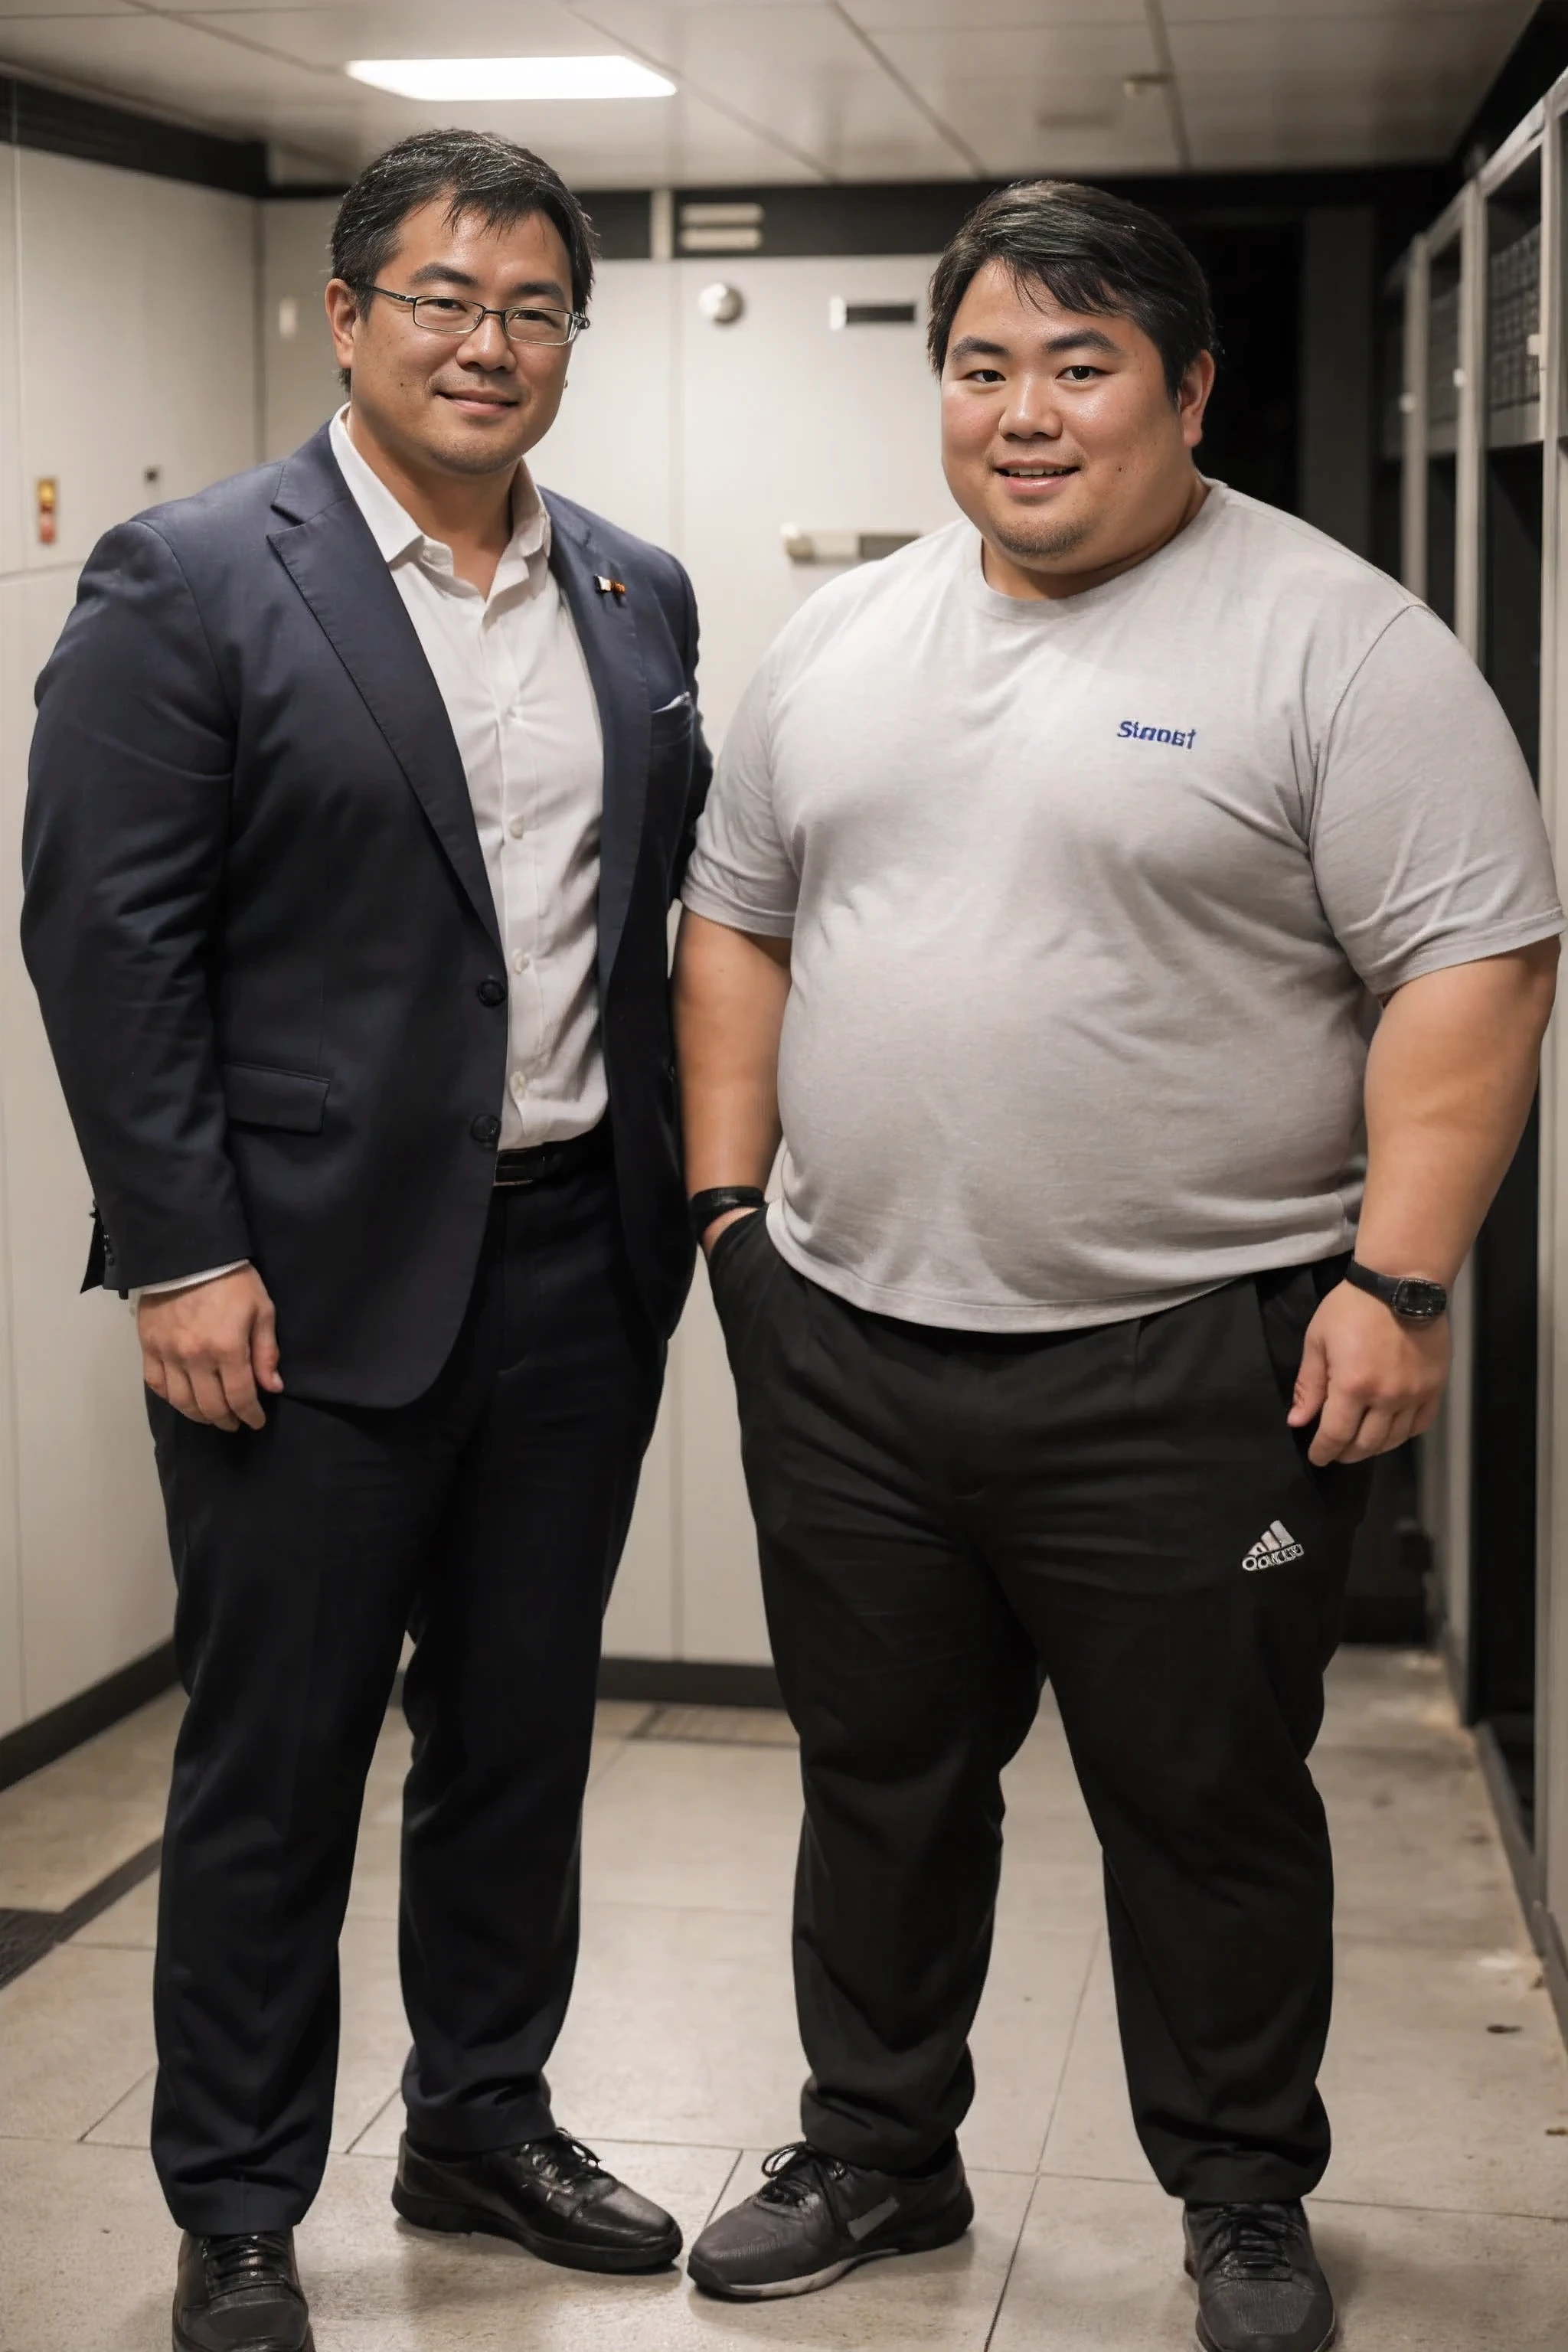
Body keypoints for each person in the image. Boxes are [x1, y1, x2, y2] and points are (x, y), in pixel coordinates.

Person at [672, 179, 1562, 2352]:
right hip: (856, 1347)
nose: (1028, 413)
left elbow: (1476, 968)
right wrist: (727, 1218)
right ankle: (877, 2149)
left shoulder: (1340, 641)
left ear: (1188, 388)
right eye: (985, 365)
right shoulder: (846, 640)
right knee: (878, 1786)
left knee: (1206, 1807)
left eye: (1081, 365)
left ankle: (1244, 2189)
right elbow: (738, 920)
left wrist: (1400, 1279)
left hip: (1198, 1362)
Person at [22, 129, 709, 2352]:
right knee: (277, 1757)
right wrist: (180, 1251)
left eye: (530, 309)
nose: (486, 344)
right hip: (294, 1294)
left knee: (518, 1738)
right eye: (440, 297)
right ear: (346, 314)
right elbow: (106, 942)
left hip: (569, 1270)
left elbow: (640, 927)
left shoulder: (633, 590)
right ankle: (237, 2198)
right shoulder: (193, 575)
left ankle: (479, 2117)